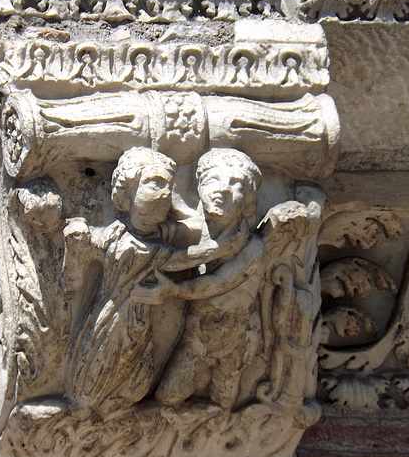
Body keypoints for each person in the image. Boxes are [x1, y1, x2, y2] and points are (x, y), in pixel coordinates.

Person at [64, 147, 246, 414]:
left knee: (138, 382)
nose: (164, 195)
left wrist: (220, 247)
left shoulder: (157, 240)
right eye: (154, 184)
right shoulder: (124, 242)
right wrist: (222, 248)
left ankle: (112, 408)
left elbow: (183, 250)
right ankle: (85, 407)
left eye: (169, 187)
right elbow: (181, 259)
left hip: (139, 326)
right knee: (96, 374)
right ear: (126, 193)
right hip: (112, 323)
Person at [131, 148, 265, 411]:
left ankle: (212, 439)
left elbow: (217, 283)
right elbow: (167, 231)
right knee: (168, 396)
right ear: (197, 188)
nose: (223, 191)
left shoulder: (252, 247)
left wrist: (171, 290)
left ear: (249, 201)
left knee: (224, 401)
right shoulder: (194, 232)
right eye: (213, 180)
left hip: (236, 336)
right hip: (197, 336)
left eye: (235, 185)